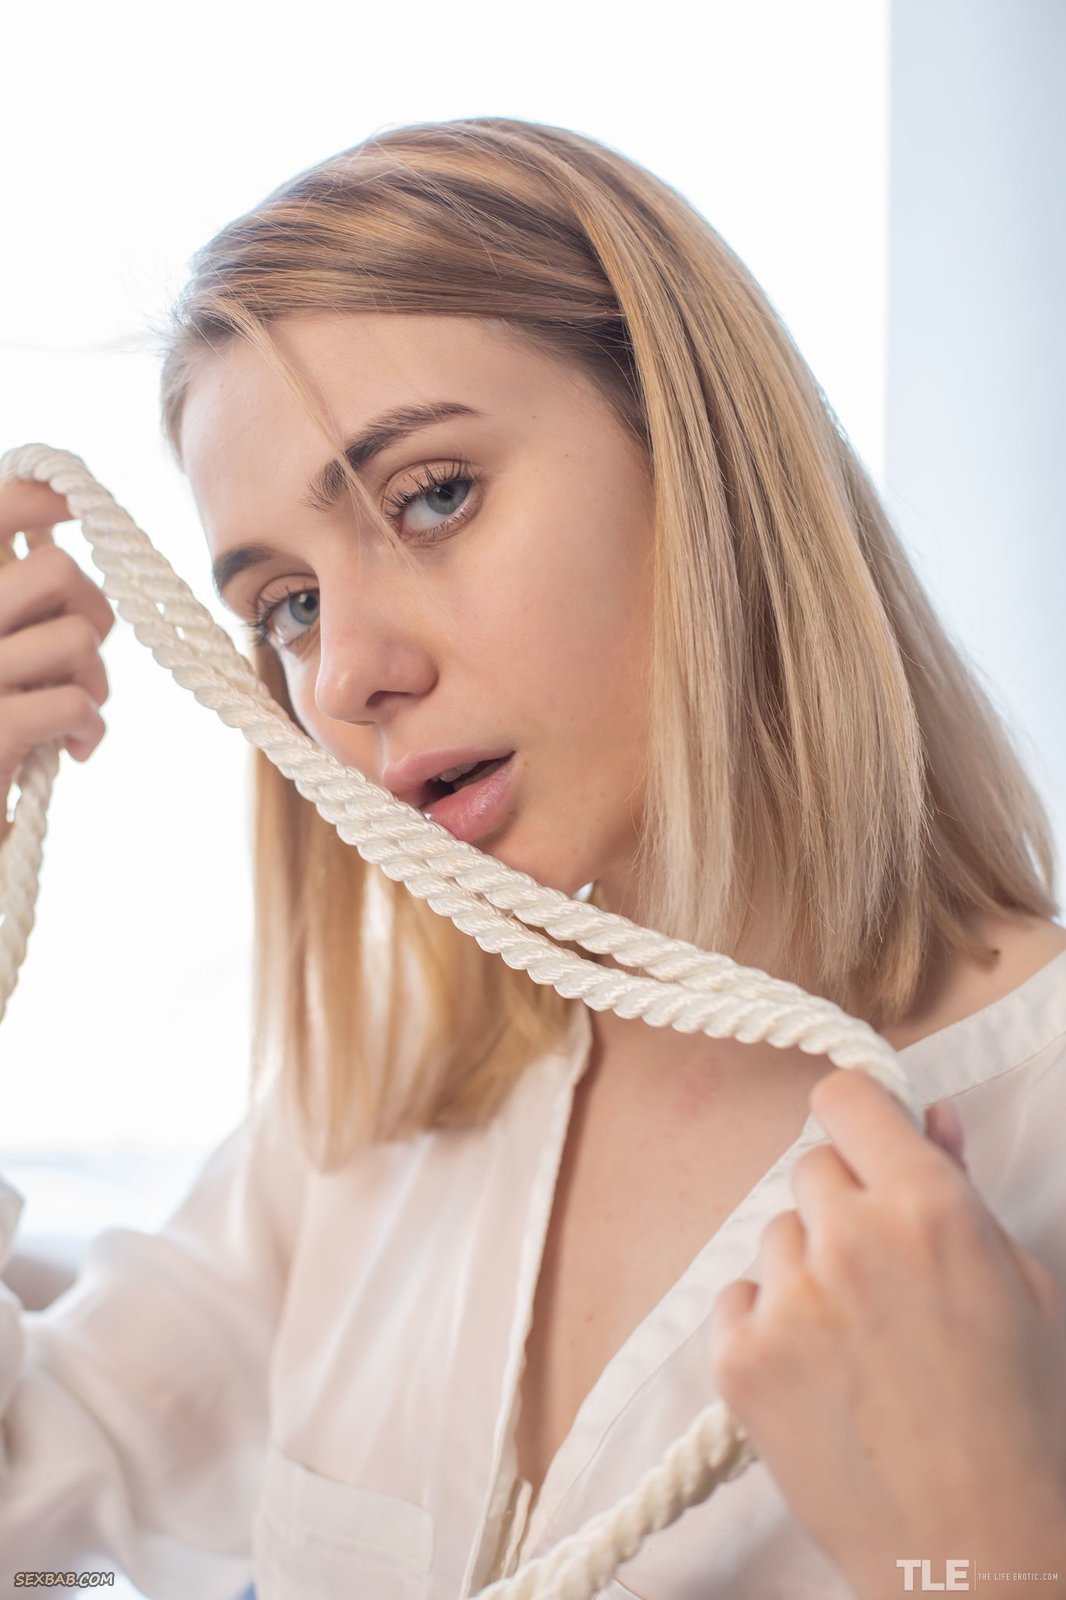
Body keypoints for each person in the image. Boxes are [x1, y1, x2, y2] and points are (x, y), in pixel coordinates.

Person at [1, 115, 1065, 1599]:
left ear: (702, 460)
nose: (346, 672)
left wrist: (980, 1545)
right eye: (289, 605)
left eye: (432, 497)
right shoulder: (374, 1109)